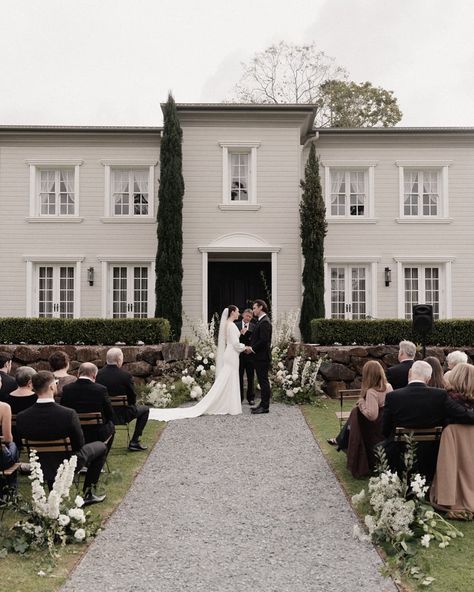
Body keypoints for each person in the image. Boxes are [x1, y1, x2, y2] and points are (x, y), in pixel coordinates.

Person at [16, 371, 107, 505]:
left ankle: (55, 492)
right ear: (52, 387)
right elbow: (79, 444)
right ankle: (88, 493)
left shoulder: (22, 416)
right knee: (102, 446)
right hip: (66, 464)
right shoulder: (68, 414)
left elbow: (21, 442)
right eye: (56, 383)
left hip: (40, 464)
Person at [149, 306, 245, 421]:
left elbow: (231, 339)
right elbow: (235, 344)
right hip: (232, 354)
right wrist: (245, 347)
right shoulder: (232, 325)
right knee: (229, 378)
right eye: (238, 311)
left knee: (228, 378)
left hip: (228, 354)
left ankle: (228, 404)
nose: (239, 313)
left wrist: (240, 334)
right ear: (232, 312)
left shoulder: (227, 325)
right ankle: (230, 405)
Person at [382, 361, 474, 481]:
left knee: (381, 446)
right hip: (431, 452)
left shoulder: (392, 396)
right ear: (429, 378)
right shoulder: (440, 395)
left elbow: (385, 429)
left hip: (399, 450)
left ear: (410, 373)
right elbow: (464, 415)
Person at [328, 361, 393, 477]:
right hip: (385, 421)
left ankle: (342, 441)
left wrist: (362, 404)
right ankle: (341, 440)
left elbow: (372, 416)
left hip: (375, 427)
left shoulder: (372, 392)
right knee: (354, 413)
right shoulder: (388, 387)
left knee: (355, 413)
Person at [96, 348, 149, 451]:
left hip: (103, 416)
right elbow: (132, 397)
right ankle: (134, 441)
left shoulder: (98, 375)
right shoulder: (125, 376)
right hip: (123, 415)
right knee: (145, 409)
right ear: (119, 359)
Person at [61, 363, 115, 450]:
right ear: (94, 375)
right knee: (111, 426)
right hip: (96, 433)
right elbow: (110, 413)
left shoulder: (67, 389)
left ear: (78, 374)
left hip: (74, 432)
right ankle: (101, 456)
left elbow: (63, 409)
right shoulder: (101, 389)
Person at [248, 300, 272, 415]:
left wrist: (252, 349)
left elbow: (264, 340)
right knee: (262, 381)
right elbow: (256, 337)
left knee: (263, 381)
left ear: (260, 307)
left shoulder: (265, 322)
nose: (253, 310)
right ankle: (262, 404)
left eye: (254, 308)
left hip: (262, 357)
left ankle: (265, 407)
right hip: (259, 357)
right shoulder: (261, 321)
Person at [5, 366, 37, 447]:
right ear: (30, 382)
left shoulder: (6, 399)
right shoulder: (37, 398)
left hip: (14, 438)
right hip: (31, 438)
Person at [0, 376, 19, 495]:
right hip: (1, 460)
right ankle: (10, 490)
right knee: (13, 445)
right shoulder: (4, 408)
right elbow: (7, 438)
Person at [235, 308, 255, 405]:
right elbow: (234, 340)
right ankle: (239, 397)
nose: (248, 318)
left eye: (250, 317)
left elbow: (255, 341)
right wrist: (240, 334)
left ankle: (251, 398)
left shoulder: (254, 327)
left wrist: (250, 348)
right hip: (239, 355)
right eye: (247, 316)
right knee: (239, 376)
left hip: (250, 355)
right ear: (243, 315)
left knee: (251, 376)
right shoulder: (236, 325)